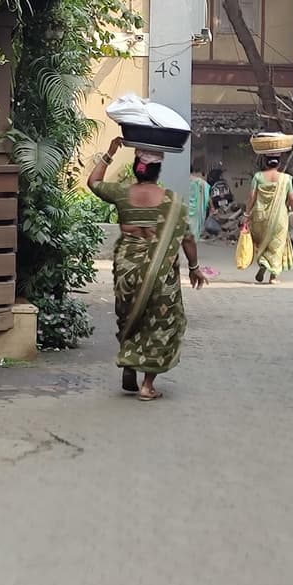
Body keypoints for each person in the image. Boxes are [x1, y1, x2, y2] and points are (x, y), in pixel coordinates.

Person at [89, 137, 207, 400]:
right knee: (160, 323)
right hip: (160, 275)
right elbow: (187, 237)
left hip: (127, 270)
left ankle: (129, 362)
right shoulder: (172, 202)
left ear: (136, 167)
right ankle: (147, 385)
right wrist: (195, 268)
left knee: (129, 316)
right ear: (158, 171)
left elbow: (93, 183)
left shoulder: (121, 193)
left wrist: (109, 153)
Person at [243, 155, 293, 284]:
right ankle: (273, 276)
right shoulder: (286, 179)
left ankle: (264, 262)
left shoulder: (258, 177)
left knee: (262, 242)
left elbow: (251, 197)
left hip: (260, 217)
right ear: (279, 164)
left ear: (265, 162)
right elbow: (292, 199)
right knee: (276, 245)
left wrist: (246, 215)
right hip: (279, 218)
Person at [187, 168, 211, 242]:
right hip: (196, 208)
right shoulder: (199, 182)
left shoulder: (181, 180)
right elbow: (207, 193)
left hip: (185, 207)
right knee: (193, 228)